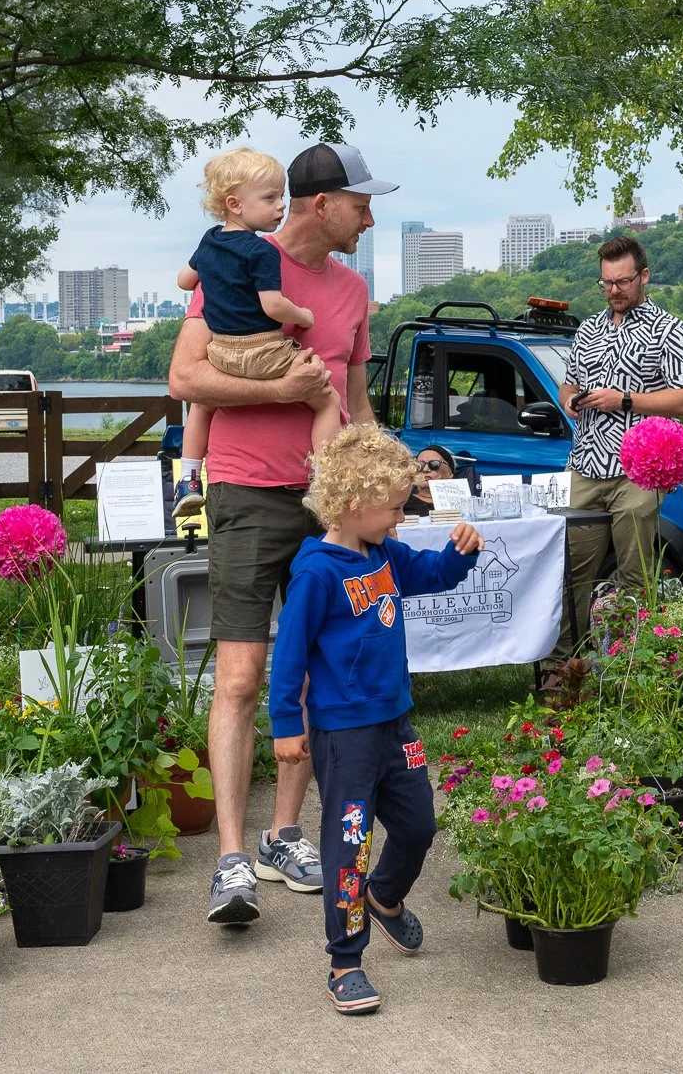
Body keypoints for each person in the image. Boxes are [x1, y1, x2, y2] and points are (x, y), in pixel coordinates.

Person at [166, 141, 395, 927]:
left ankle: (282, 835)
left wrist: (395, 473)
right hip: (242, 493)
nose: (369, 217)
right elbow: (186, 378)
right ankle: (231, 859)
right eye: (361, 204)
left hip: (323, 506)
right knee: (239, 676)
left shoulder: (355, 290)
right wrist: (288, 387)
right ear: (321, 204)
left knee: (310, 678)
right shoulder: (239, 260)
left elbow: (356, 403)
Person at [267, 423, 483, 1014]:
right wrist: (286, 724)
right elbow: (288, 657)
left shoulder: (383, 551)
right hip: (344, 736)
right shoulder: (316, 573)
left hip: (396, 724)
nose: (398, 518)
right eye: (392, 508)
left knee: (418, 827)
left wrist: (458, 554)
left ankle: (385, 898)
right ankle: (345, 962)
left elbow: (431, 576)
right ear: (355, 505)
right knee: (350, 841)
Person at [170, 148, 342, 519]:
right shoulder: (261, 252)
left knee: (203, 404)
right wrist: (305, 316)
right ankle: (324, 481)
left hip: (220, 352)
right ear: (235, 203)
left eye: (281, 196)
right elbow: (273, 307)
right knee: (325, 396)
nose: (281, 206)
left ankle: (187, 479)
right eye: (270, 198)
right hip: (261, 350)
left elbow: (185, 280)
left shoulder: (209, 241)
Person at [557, 236, 683, 646]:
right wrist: (570, 399)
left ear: (644, 276)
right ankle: (565, 666)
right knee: (569, 572)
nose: (614, 290)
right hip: (585, 465)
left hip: (637, 470)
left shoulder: (671, 330)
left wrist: (624, 400)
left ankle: (635, 664)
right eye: (606, 283)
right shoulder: (587, 330)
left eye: (622, 281)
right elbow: (570, 383)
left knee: (635, 573)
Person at [402, 445, 457, 517]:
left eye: (434, 464)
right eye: (420, 465)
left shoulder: (464, 503)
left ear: (449, 473)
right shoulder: (401, 501)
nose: (425, 469)